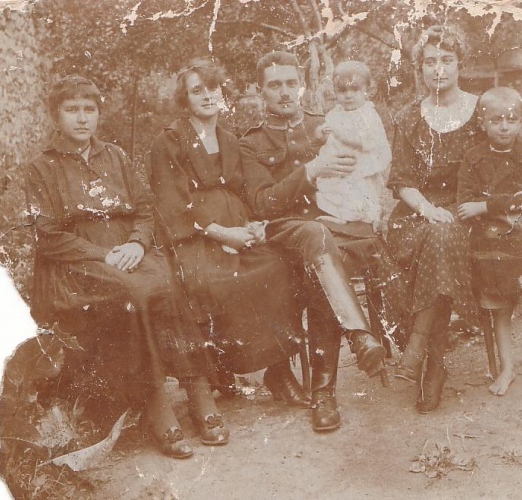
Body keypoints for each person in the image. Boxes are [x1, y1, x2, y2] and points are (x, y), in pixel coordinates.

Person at [25, 75, 227, 459]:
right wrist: (102, 255)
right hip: (79, 262)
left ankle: (198, 390)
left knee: (167, 281)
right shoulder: (42, 168)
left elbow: (145, 207)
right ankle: (155, 403)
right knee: (133, 293)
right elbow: (48, 236)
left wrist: (136, 242)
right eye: (72, 110)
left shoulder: (114, 156)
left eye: (89, 109)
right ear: (56, 115)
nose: (82, 118)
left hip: (128, 249)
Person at [388, 25, 522, 413]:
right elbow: (402, 181)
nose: (439, 69)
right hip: (419, 212)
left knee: (444, 239)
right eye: (430, 61)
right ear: (419, 67)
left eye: (447, 60)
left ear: (460, 64)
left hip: (471, 210)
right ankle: (429, 360)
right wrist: (427, 209)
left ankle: (427, 359)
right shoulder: (409, 117)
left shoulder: (483, 109)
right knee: (436, 238)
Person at [240, 50, 407, 432]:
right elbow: (262, 203)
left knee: (325, 258)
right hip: (284, 231)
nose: (285, 92)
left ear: (301, 86)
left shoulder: (329, 124)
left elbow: (369, 163)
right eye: (275, 85)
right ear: (260, 90)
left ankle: (324, 392)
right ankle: (358, 337)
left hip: (334, 228)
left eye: (291, 83)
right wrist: (312, 170)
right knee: (319, 240)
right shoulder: (250, 143)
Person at [149, 58, 311, 410]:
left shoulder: (229, 138)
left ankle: (279, 370)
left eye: (213, 88)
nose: (208, 96)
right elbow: (172, 204)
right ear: (185, 99)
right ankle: (218, 370)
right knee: (212, 282)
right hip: (194, 237)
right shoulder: (170, 141)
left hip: (236, 228)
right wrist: (223, 234)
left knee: (277, 267)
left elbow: (246, 191)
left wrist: (253, 225)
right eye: (197, 90)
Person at [457, 86, 522, 395]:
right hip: (491, 248)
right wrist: (490, 208)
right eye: (497, 120)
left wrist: (485, 206)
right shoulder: (473, 158)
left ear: (521, 121)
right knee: (500, 311)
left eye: (512, 119)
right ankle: (507, 369)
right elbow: (464, 203)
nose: (504, 127)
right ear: (483, 123)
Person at [315, 60, 391, 230]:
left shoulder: (367, 114)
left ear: (366, 90)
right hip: (340, 163)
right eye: (342, 91)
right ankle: (342, 216)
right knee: (337, 190)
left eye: (355, 90)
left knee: (359, 191)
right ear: (336, 91)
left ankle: (372, 215)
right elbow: (328, 137)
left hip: (360, 163)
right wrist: (322, 133)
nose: (348, 96)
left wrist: (342, 135)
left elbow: (366, 141)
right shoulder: (336, 113)